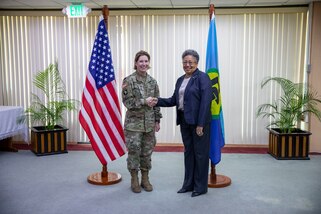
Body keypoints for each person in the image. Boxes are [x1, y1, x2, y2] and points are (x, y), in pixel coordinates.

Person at [148, 49, 213, 197]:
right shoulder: (180, 80)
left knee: (200, 154)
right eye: (185, 62)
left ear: (197, 63)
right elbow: (173, 100)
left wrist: (201, 124)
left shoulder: (203, 78)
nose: (187, 65)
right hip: (184, 121)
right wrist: (157, 101)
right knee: (188, 153)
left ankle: (200, 187)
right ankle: (188, 184)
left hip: (199, 123)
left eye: (190, 62)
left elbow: (205, 103)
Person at [121, 50, 162, 193]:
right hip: (133, 126)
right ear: (136, 63)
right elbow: (127, 102)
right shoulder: (129, 81)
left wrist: (157, 120)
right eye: (141, 61)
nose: (144, 64)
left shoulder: (153, 82)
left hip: (149, 125)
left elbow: (157, 102)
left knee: (147, 152)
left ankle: (145, 178)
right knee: (134, 152)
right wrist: (144, 101)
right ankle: (134, 179)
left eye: (146, 61)